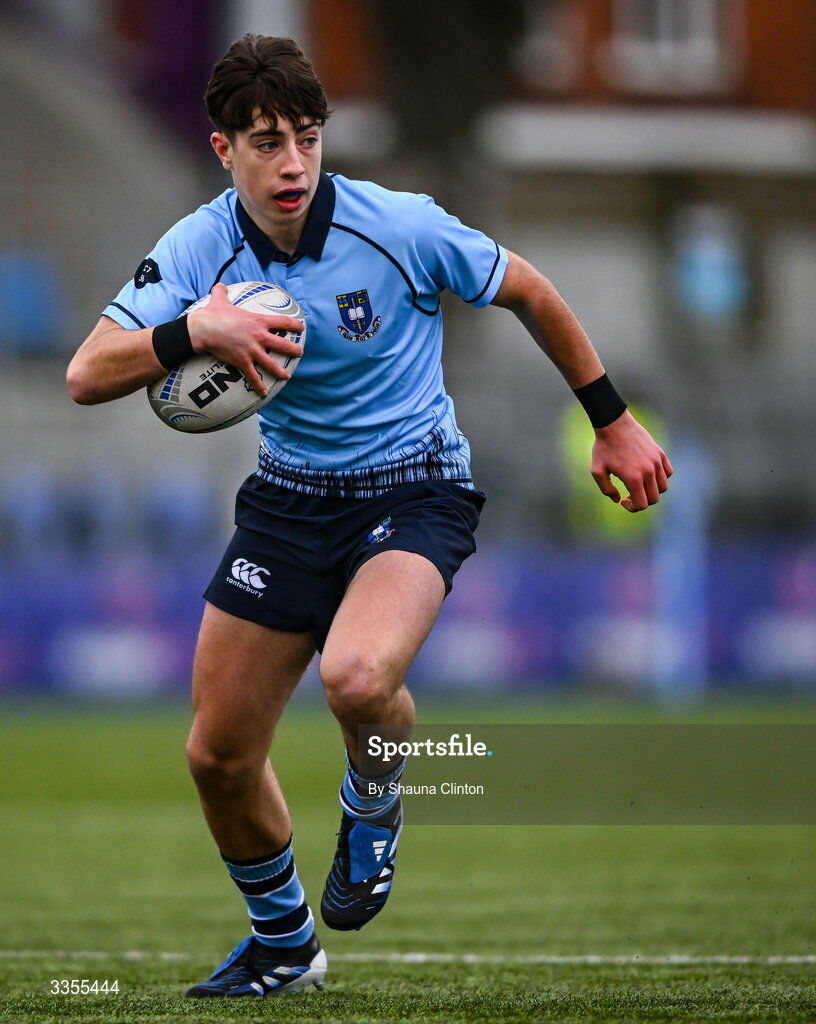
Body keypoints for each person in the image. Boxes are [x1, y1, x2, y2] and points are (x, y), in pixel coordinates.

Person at [66, 34, 672, 998]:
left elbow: (529, 288)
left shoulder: (398, 223)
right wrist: (198, 328)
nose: (293, 162)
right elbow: (87, 372)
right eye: (266, 141)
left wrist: (612, 421)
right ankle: (284, 945)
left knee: (355, 678)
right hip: (289, 505)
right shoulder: (198, 245)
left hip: (415, 488)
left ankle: (376, 796)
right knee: (217, 755)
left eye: (307, 136)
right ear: (223, 149)